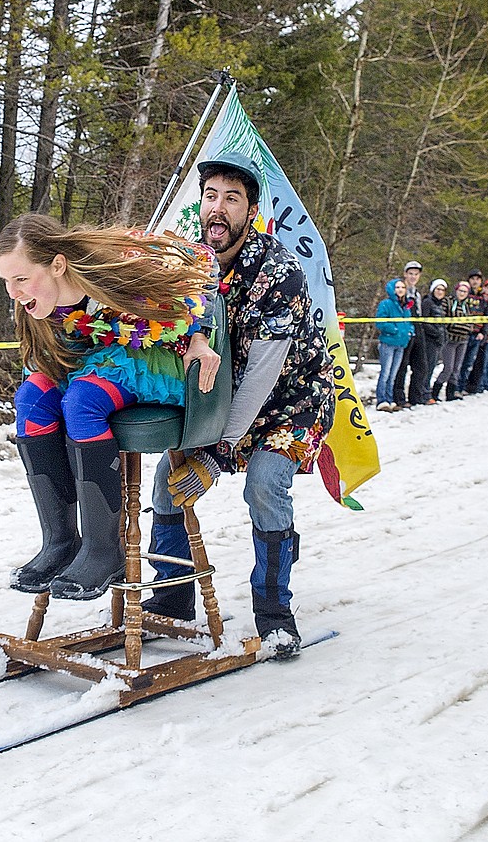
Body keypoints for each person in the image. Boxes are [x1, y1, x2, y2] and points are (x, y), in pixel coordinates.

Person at [145, 152, 336, 659]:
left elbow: (261, 377)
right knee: (168, 482)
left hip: (291, 401)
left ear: (250, 211)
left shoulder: (281, 272)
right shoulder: (189, 267)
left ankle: (275, 616)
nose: (218, 208)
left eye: (232, 198)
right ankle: (171, 601)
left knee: (264, 485)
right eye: (210, 196)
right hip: (222, 399)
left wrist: (216, 451)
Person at [0, 213, 220, 602]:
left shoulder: (116, 268)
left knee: (82, 401)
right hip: (86, 357)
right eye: (6, 282)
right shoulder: (32, 304)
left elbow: (202, 264)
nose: (13, 292)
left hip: (146, 355)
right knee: (31, 400)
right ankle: (61, 542)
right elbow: (45, 357)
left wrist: (198, 335)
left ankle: (104, 549)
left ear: (57, 265)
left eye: (21, 279)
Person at [392, 260, 427, 408]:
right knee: (402, 365)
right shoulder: (400, 290)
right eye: (410, 274)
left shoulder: (417, 294)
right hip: (404, 330)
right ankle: (399, 397)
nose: (413, 277)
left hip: (418, 329)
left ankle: (416, 396)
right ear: (405, 274)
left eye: (416, 274)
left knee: (421, 365)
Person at [376, 278, 413, 411]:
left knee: (393, 374)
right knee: (385, 373)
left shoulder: (406, 305)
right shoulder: (386, 304)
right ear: (392, 289)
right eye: (397, 287)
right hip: (388, 342)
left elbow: (409, 322)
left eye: (403, 287)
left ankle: (390, 399)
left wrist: (409, 332)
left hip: (401, 344)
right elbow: (380, 322)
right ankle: (381, 400)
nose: (400, 290)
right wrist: (395, 330)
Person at [433, 281, 471, 401]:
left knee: (456, 368)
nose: (462, 293)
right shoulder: (448, 301)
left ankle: (451, 392)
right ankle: (435, 391)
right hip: (450, 340)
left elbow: (470, 320)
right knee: (448, 368)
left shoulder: (466, 306)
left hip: (463, 340)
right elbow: (443, 318)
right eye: (460, 291)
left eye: (465, 292)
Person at [419, 278, 449, 404]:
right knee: (427, 368)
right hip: (429, 340)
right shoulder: (428, 302)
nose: (440, 292)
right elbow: (424, 321)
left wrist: (444, 334)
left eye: (442, 290)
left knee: (431, 368)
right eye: (438, 289)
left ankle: (426, 392)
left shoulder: (440, 305)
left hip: (438, 341)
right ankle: (423, 394)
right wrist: (436, 333)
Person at [457, 269, 486, 397]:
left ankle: (462, 386)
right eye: (473, 279)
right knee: (459, 362)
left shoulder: (482, 298)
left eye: (477, 279)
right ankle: (455, 387)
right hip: (464, 333)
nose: (475, 281)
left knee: (468, 363)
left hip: (476, 333)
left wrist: (483, 331)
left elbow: (486, 315)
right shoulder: (464, 294)